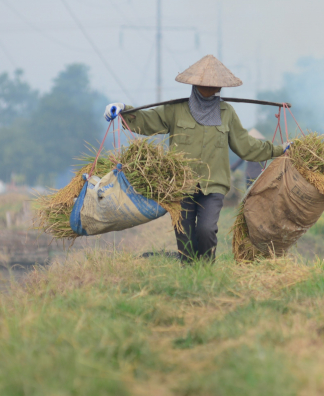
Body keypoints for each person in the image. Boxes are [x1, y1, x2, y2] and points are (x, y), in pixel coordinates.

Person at [104, 55, 284, 263]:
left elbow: (246, 145)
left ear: (220, 87)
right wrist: (123, 110)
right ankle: (190, 275)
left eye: (214, 84)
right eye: (205, 83)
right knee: (185, 237)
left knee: (206, 230)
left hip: (213, 185)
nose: (210, 87)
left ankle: (206, 269)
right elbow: (147, 121)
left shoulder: (227, 112)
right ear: (195, 84)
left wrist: (279, 150)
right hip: (181, 185)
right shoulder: (175, 110)